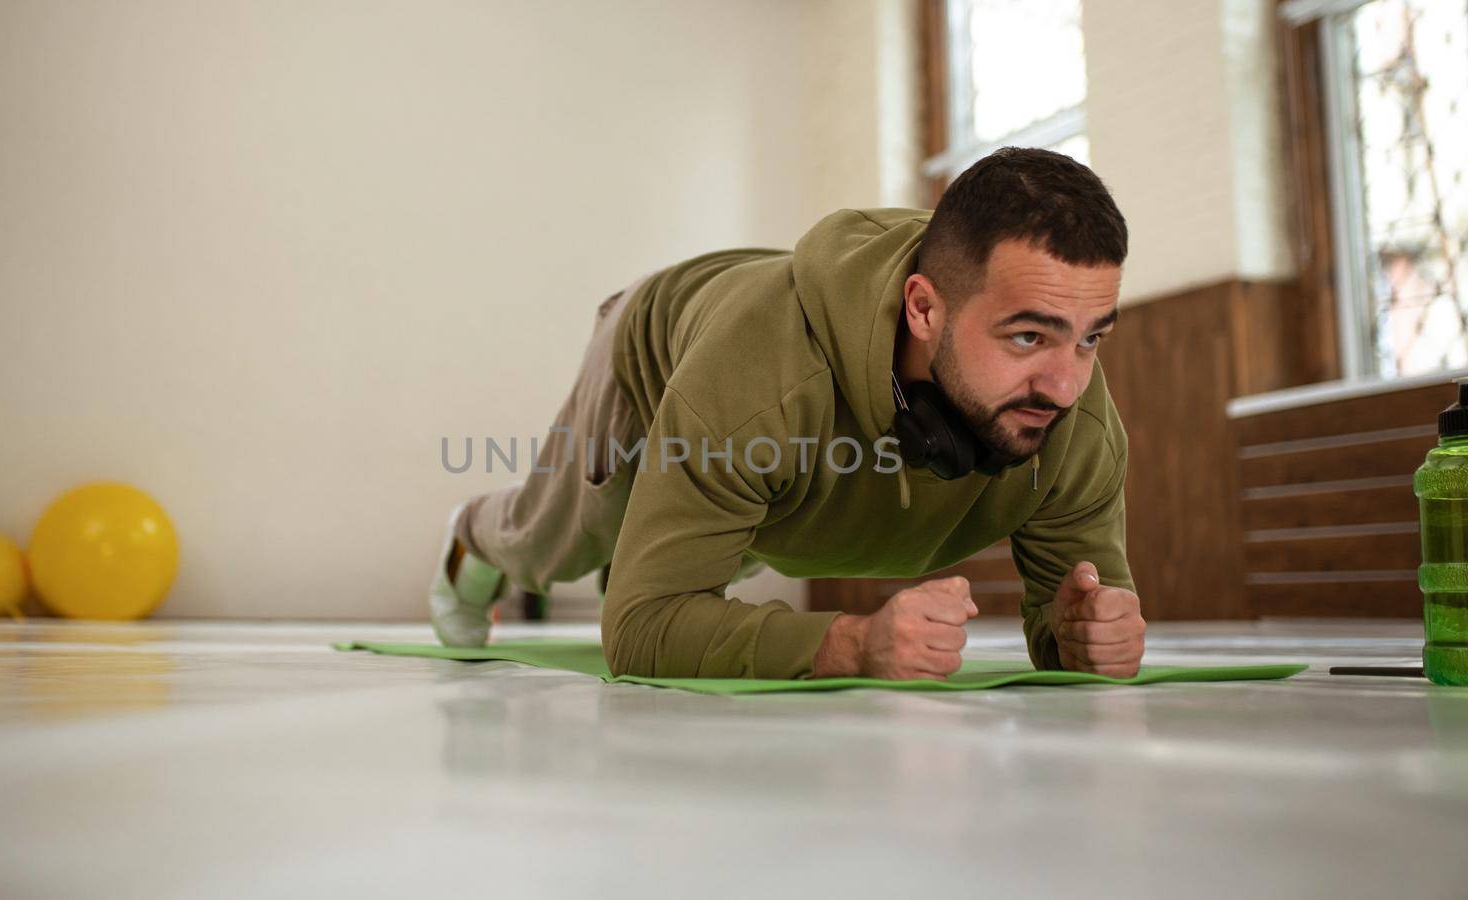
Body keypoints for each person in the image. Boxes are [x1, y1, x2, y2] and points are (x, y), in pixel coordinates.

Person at [429, 147, 1146, 681]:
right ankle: (473, 543)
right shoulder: (753, 393)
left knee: (705, 548)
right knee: (559, 543)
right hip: (657, 351)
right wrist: (850, 646)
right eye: (1028, 336)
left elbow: (1073, 619)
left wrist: (1083, 635)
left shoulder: (1073, 420)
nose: (1063, 385)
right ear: (924, 308)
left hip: (772, 419)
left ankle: (651, 544)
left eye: (1090, 337)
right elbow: (641, 630)